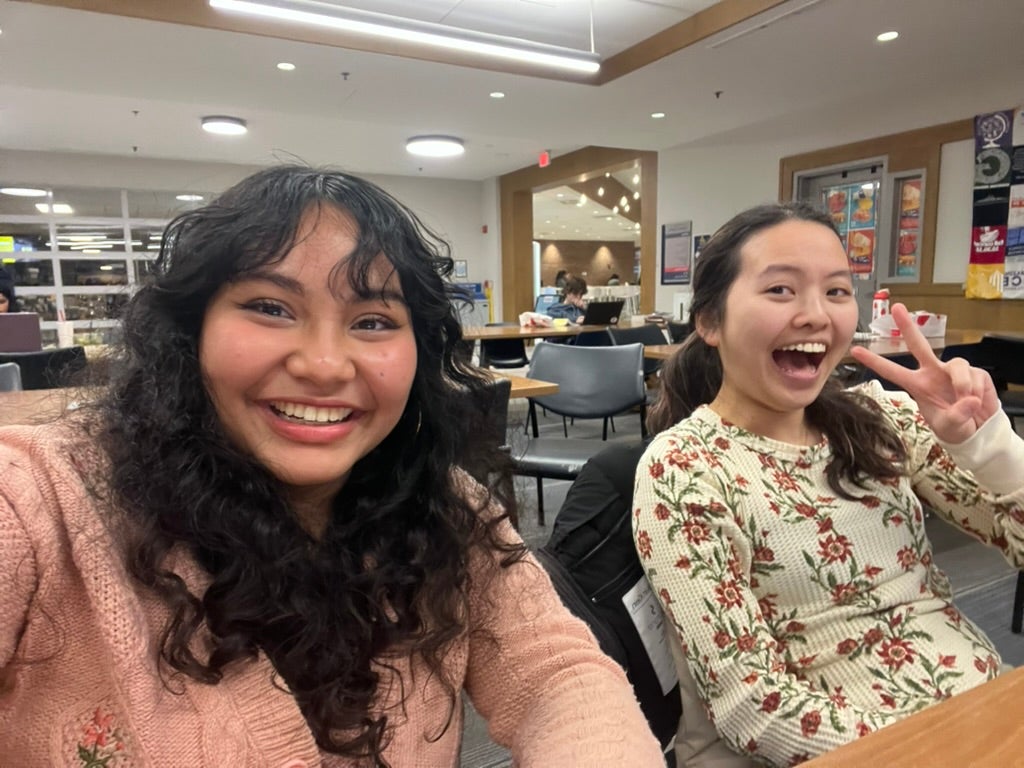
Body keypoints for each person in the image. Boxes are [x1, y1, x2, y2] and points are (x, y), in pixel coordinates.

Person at [0, 165, 663, 766]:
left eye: (373, 321)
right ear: (190, 330)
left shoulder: (445, 508)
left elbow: (556, 675)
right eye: (270, 307)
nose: (323, 364)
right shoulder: (36, 501)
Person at [633, 201, 1024, 767]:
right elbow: (753, 706)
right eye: (781, 291)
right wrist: (936, 748)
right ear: (710, 322)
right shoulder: (685, 468)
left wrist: (987, 445)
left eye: (837, 291)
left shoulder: (881, 419)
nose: (817, 314)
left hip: (988, 714)